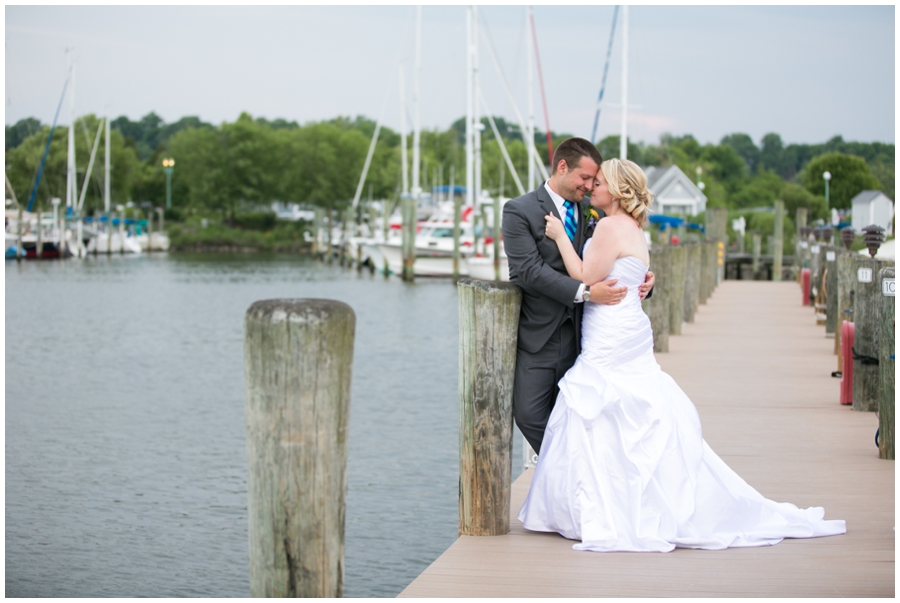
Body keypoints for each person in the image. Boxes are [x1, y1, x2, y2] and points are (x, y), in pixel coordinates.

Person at [517, 158, 846, 552]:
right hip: (628, 328)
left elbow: (585, 277)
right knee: (624, 408)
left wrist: (558, 237)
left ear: (618, 191)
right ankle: (620, 497)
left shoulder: (607, 226)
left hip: (610, 331)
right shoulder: (634, 229)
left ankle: (607, 503)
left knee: (604, 403)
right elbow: (631, 271)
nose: (593, 188)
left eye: (600, 182)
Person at [501, 137, 654, 455]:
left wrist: (646, 281)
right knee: (529, 416)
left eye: (595, 181)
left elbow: (619, 258)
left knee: (588, 418)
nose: (589, 186)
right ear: (561, 167)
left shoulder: (597, 212)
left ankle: (578, 480)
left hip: (589, 338)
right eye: (585, 178)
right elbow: (527, 271)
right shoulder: (519, 210)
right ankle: (572, 470)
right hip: (540, 336)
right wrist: (585, 292)